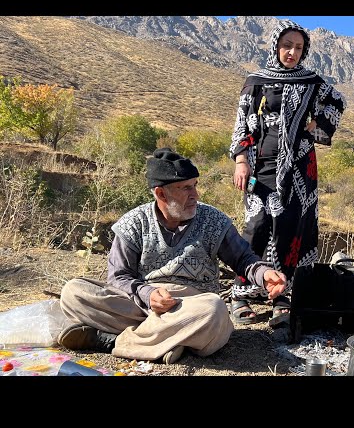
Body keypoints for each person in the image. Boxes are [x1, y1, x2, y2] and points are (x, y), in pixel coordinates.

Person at [56, 148, 287, 364]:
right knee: (73, 292)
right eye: (186, 188)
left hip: (194, 306)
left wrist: (264, 273)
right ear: (161, 193)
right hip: (143, 305)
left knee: (215, 311)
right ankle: (170, 340)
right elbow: (118, 277)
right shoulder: (134, 223)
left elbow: (244, 260)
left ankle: (113, 341)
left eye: (195, 186)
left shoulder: (214, 221)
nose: (195, 195)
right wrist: (147, 294)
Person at [229, 19, 347, 327]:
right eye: (286, 46)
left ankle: (283, 295)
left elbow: (336, 101)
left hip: (299, 167)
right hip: (260, 164)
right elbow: (242, 120)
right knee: (256, 226)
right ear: (275, 46)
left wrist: (312, 127)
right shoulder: (256, 80)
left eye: (298, 47)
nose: (292, 53)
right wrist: (241, 160)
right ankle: (242, 293)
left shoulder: (310, 80)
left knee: (293, 227)